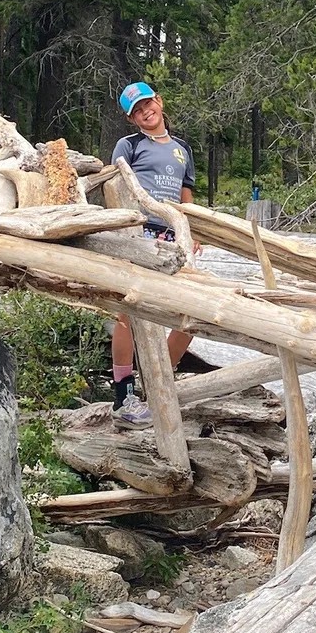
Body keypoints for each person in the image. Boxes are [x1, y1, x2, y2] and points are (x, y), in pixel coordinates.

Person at [108, 81, 196, 425]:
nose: (146, 112)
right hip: (139, 234)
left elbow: (186, 195)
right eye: (137, 111)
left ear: (158, 101)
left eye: (148, 104)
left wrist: (192, 231)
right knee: (129, 313)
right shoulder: (129, 145)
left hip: (174, 239)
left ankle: (158, 386)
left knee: (191, 315)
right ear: (131, 119)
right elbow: (115, 187)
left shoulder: (182, 148)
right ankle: (124, 396)